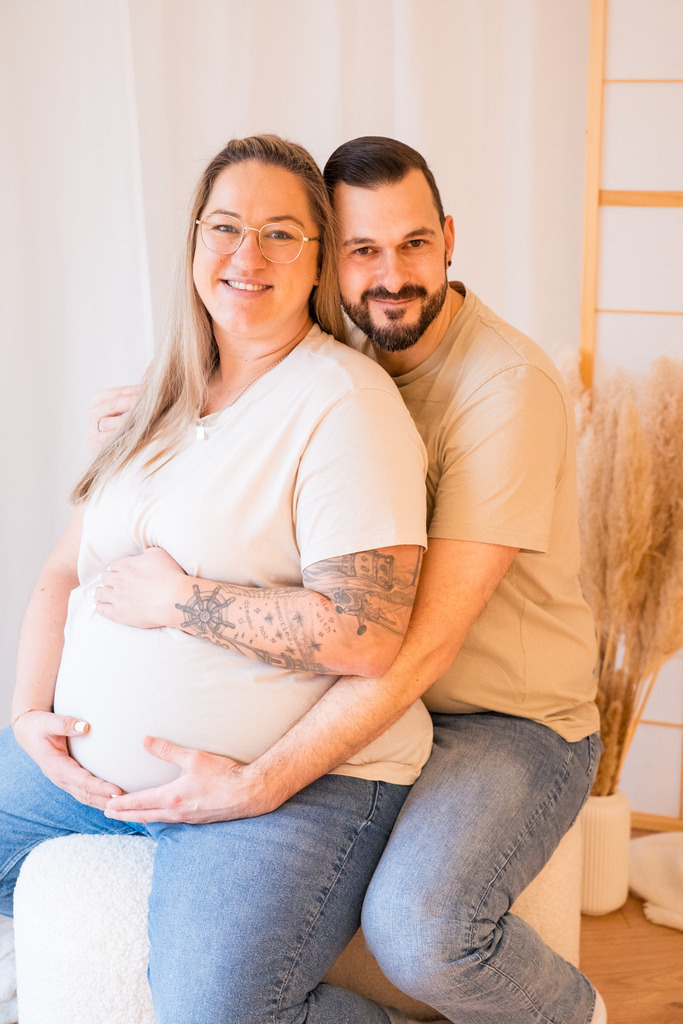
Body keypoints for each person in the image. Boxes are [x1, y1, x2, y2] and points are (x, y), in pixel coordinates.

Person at [86, 136, 606, 1024]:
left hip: (500, 720)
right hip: (385, 706)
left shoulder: (503, 388)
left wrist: (261, 783)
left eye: (412, 244)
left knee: (422, 929)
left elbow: (418, 642)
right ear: (331, 260)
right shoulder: (336, 353)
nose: (390, 276)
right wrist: (167, 407)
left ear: (448, 237)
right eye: (363, 250)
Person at [0, 134, 435, 1024]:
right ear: (195, 242)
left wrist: (179, 603)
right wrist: (29, 720)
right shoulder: (156, 399)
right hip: (85, 772)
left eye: (280, 233)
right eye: (226, 226)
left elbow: (365, 633)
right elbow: (60, 573)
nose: (246, 256)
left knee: (218, 1012)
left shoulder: (343, 404)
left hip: (292, 788)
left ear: (317, 259)